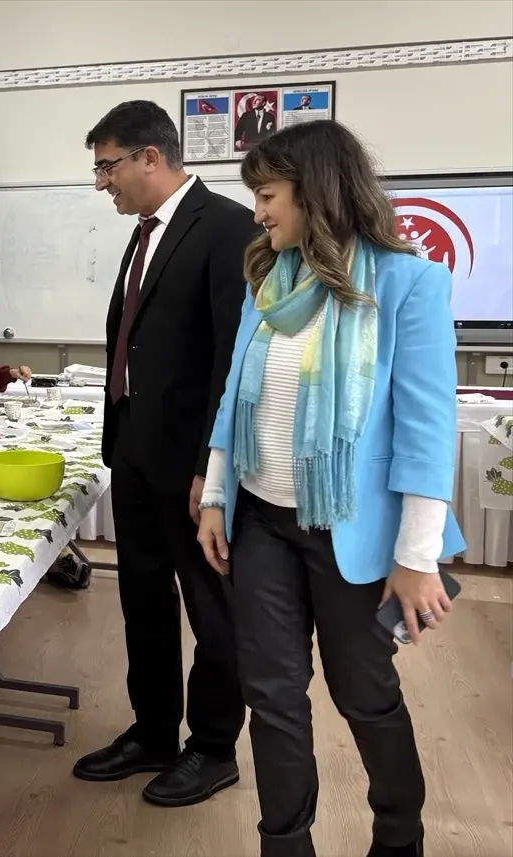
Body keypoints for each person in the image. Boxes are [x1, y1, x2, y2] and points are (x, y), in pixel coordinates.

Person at [197, 119, 463, 857]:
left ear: (316, 192)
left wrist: (416, 557)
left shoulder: (408, 282)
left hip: (352, 533)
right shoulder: (267, 280)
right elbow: (234, 399)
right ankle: (285, 845)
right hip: (263, 524)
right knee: (272, 697)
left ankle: (398, 837)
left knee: (363, 694)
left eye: (268, 194)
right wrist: (216, 495)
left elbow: (427, 428)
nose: (257, 212)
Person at [72, 99, 259, 806]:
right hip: (134, 453)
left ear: (151, 157)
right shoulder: (145, 233)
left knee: (212, 610)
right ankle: (153, 731)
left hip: (190, 469)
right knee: (142, 600)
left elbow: (231, 362)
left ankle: (212, 747)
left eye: (107, 167)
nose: (102, 183)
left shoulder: (227, 227)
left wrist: (212, 468)